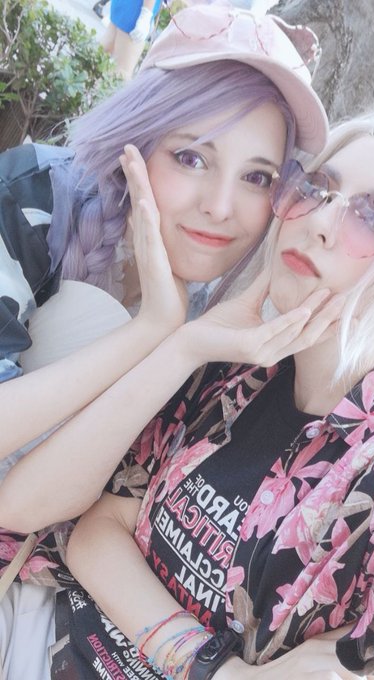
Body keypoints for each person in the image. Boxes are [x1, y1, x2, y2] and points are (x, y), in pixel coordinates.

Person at [6, 107, 374, 679]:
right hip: (35, 635)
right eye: (317, 189)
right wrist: (216, 669)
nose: (320, 222)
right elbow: (97, 532)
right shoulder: (232, 371)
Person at [0, 3, 327, 482]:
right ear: (137, 137)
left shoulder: (238, 312)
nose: (220, 207)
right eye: (192, 158)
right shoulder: (31, 199)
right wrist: (150, 329)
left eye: (256, 177)